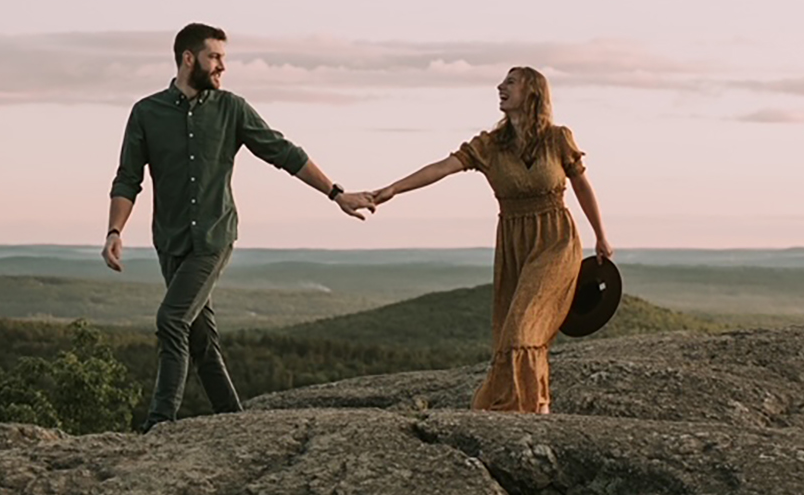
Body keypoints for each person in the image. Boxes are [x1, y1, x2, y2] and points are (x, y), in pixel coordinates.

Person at [103, 22, 375, 431]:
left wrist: (336, 193)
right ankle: (235, 422)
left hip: (213, 237)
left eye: (223, 59)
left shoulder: (232, 108)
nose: (222, 67)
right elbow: (128, 178)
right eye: (215, 57)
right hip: (171, 240)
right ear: (188, 58)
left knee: (171, 321)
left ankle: (160, 424)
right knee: (200, 339)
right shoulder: (147, 112)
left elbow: (282, 151)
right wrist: (114, 232)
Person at [372, 67, 612, 413]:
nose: (501, 86)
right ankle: (536, 405)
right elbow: (441, 167)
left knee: (523, 327)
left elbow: (581, 186)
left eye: (511, 82)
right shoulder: (489, 145)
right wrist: (394, 189)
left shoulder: (558, 138)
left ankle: (528, 406)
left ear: (532, 92)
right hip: (514, 244)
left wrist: (601, 236)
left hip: (556, 240)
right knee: (512, 329)